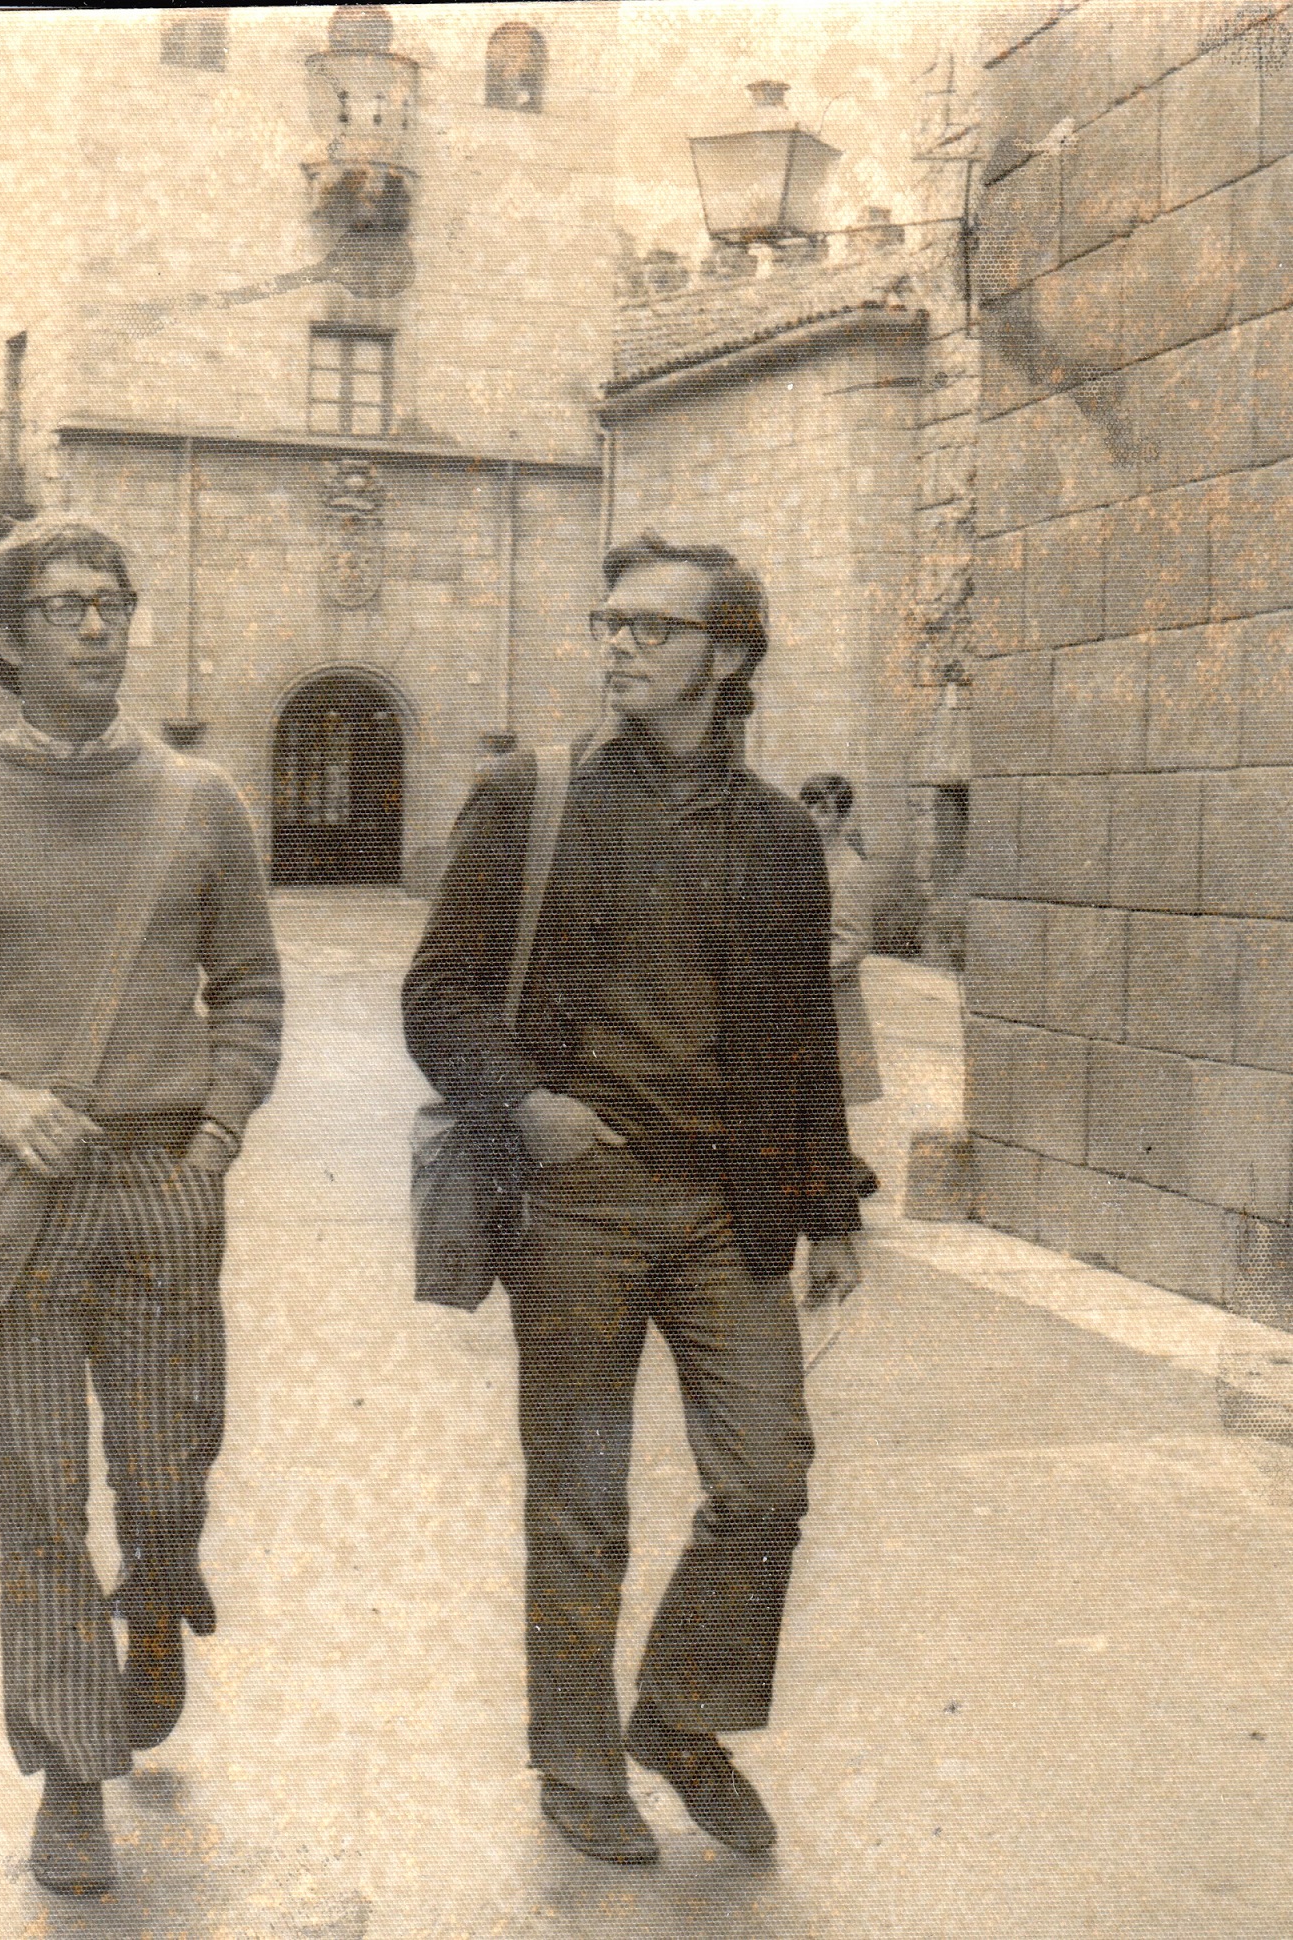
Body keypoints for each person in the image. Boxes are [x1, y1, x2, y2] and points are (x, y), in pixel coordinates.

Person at [402, 532, 862, 1867]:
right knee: (582, 1502)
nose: (619, 645)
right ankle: (575, 1760)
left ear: (728, 656)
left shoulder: (780, 836)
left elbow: (802, 1041)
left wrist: (830, 1210)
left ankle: (680, 1714)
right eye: (609, 622)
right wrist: (529, 1106)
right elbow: (436, 996)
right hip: (580, 1209)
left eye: (652, 628)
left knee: (768, 1481)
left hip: (732, 1216)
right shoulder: (529, 796)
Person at [0, 519, 284, 1897]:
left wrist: (216, 1137)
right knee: (39, 1498)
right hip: (23, 1203)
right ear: (6, 641)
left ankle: (159, 1589)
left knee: (165, 1474)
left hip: (167, 1185)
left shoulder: (200, 802)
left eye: (114, 604)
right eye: (66, 609)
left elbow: (254, 992)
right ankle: (71, 1777)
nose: (99, 628)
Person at [796, 773, 883, 1200]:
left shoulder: (850, 871)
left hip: (830, 1002)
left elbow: (850, 944)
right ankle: (833, 1173)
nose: (813, 816)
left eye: (824, 810)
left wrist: (801, 974)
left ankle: (840, 1177)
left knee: (824, 1090)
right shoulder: (799, 861)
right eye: (807, 805)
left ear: (842, 818)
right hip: (796, 996)